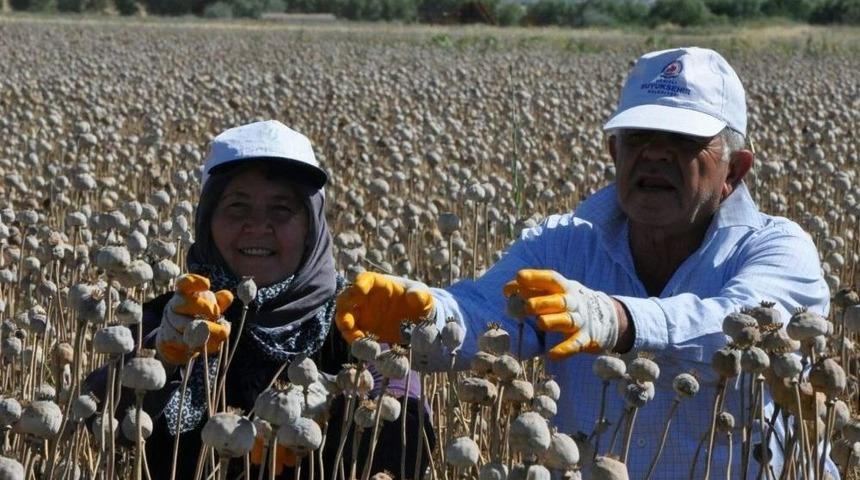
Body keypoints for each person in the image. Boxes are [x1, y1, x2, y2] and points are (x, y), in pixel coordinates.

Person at [335, 47, 834, 478]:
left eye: (682, 143)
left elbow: (739, 327)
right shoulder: (563, 243)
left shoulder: (778, 249)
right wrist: (426, 314)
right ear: (614, 152)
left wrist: (619, 320)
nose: (655, 156)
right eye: (638, 139)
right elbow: (487, 314)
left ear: (735, 170)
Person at [85, 120, 432, 479]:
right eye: (237, 207)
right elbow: (98, 423)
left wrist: (345, 400)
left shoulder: (356, 317)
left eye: (281, 210)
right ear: (208, 220)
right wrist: (162, 356)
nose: (257, 226)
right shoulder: (175, 315)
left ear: (311, 226)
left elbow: (407, 434)